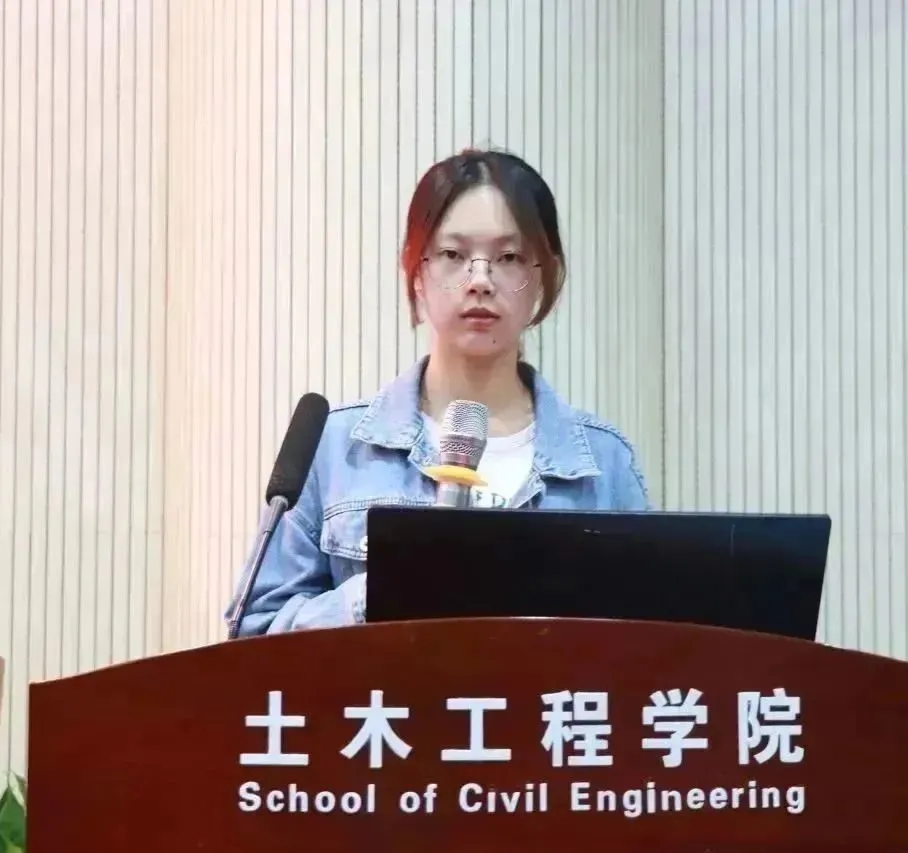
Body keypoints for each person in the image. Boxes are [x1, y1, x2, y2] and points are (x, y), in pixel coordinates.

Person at [230, 148, 651, 635]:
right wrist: (381, 591)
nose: (480, 280)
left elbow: (652, 645)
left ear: (543, 277)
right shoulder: (335, 450)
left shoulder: (604, 463)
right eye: (453, 255)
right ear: (416, 272)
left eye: (509, 258)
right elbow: (255, 631)